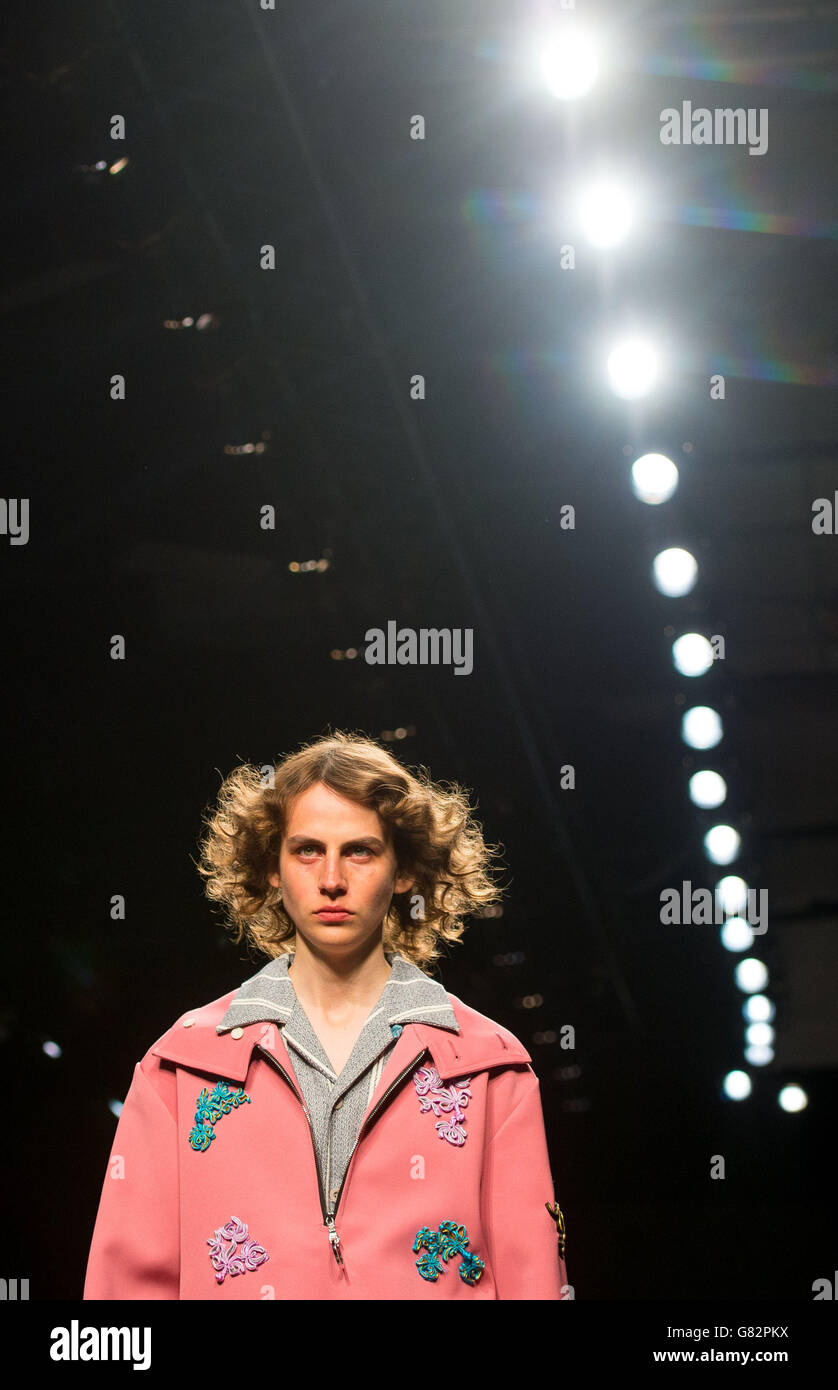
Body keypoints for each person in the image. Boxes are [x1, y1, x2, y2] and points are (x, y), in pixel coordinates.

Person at [83, 731, 571, 1299]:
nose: (332, 878)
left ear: (404, 869)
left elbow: (532, 1279)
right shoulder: (180, 1067)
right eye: (307, 849)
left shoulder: (489, 1067)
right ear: (272, 866)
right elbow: (124, 1301)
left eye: (360, 850)